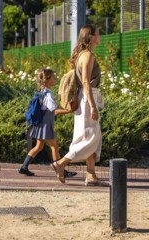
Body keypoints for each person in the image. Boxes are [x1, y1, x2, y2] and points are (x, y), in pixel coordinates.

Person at [52, 24, 106, 186]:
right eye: (98, 33)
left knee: (91, 137)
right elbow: (85, 82)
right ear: (91, 37)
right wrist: (92, 106)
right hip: (88, 98)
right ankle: (61, 163)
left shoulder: (82, 55)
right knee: (90, 138)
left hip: (86, 98)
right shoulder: (88, 56)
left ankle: (91, 175)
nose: (100, 36)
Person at [19, 68, 77, 177]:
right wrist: (69, 111)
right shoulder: (48, 94)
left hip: (40, 124)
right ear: (47, 80)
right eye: (53, 77)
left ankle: (24, 167)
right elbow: (54, 110)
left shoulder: (42, 92)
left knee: (39, 147)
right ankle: (61, 170)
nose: (55, 79)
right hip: (46, 125)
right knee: (54, 146)